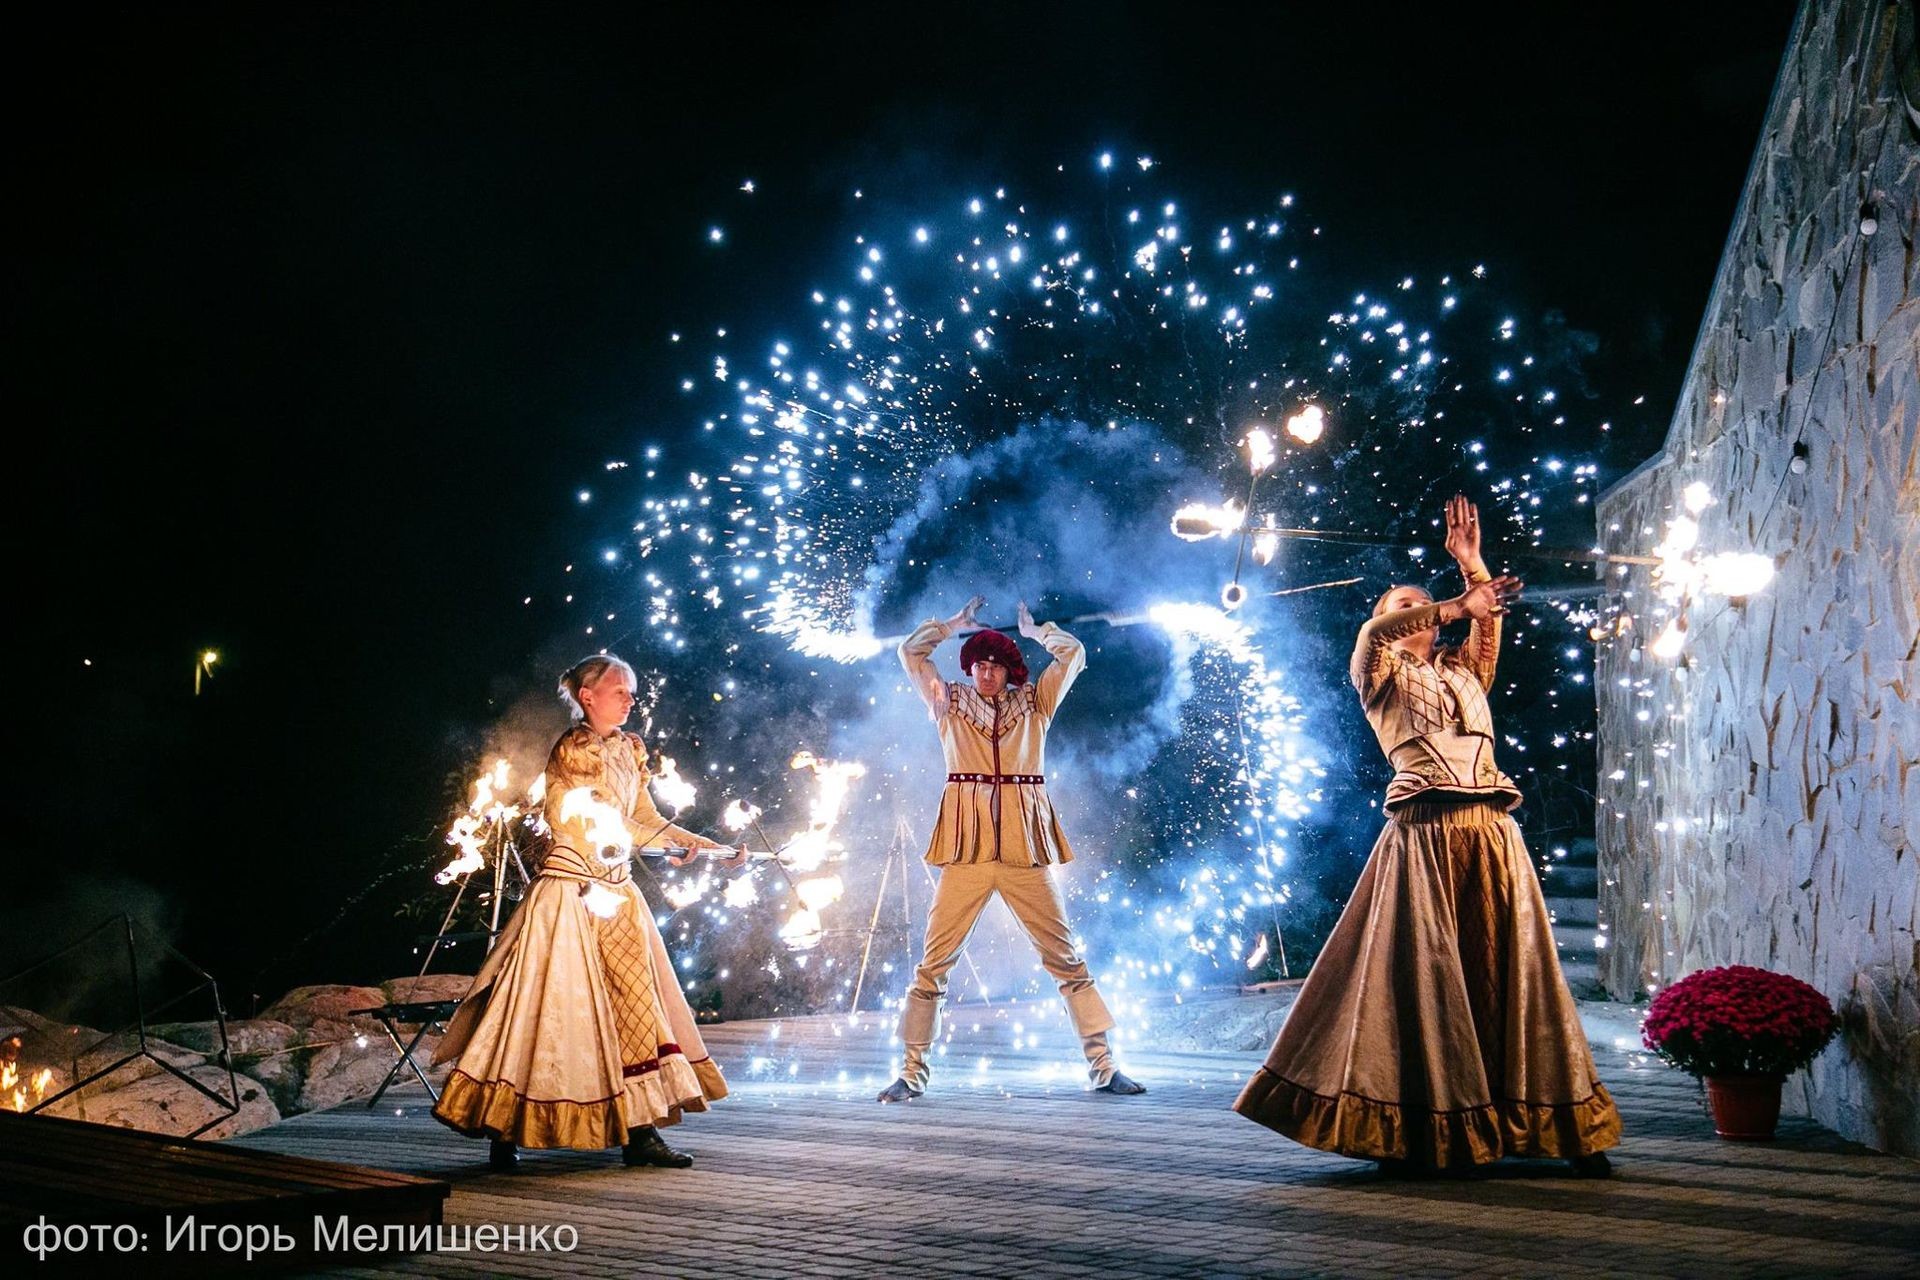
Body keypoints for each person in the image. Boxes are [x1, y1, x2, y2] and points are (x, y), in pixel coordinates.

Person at [1232, 496, 1621, 1176]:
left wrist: (1471, 564)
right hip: (1426, 836)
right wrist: (1452, 603)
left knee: (1515, 978)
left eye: (1417, 603)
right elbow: (1379, 635)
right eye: (1399, 603)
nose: (1409, 610)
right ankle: (1422, 1127)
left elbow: (1486, 627)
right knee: (1424, 981)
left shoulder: (1463, 672)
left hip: (1491, 834)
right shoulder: (1377, 672)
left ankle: (1551, 1123)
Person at [432, 654, 746, 1170]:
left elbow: (644, 818)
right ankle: (505, 1129)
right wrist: (669, 842)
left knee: (637, 1007)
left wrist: (706, 847)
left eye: (631, 691)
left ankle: (640, 1134)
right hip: (570, 894)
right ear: (588, 697)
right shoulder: (574, 749)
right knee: (548, 1011)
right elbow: (609, 820)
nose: (630, 699)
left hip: (617, 892)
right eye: (620, 690)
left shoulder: (629, 748)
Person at [877, 596, 1144, 1101]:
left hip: (1025, 850)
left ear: (1008, 670)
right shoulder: (947, 701)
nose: (986, 674)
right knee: (933, 965)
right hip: (968, 852)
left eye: (995, 666)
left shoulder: (1035, 702)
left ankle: (1104, 1066)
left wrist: (1036, 630)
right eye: (978, 664)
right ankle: (911, 1073)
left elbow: (1075, 656)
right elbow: (910, 654)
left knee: (1065, 959)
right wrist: (952, 625)